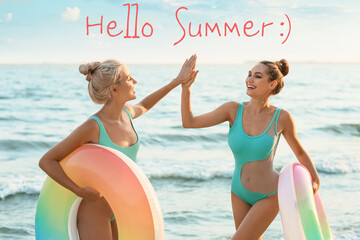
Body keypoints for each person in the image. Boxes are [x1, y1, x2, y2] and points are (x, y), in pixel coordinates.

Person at [39, 55, 197, 240]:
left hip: (119, 206)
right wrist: (79, 191)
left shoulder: (127, 114)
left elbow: (145, 104)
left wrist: (177, 82)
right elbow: (47, 161)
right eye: (129, 78)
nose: (135, 81)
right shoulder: (93, 126)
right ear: (114, 89)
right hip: (95, 209)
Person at [181, 56, 320, 240]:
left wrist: (315, 179)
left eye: (257, 76)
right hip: (238, 191)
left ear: (272, 84)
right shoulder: (232, 110)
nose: (249, 79)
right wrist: (186, 88)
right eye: (249, 74)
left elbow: (300, 152)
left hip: (269, 195)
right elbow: (189, 122)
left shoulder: (282, 117)